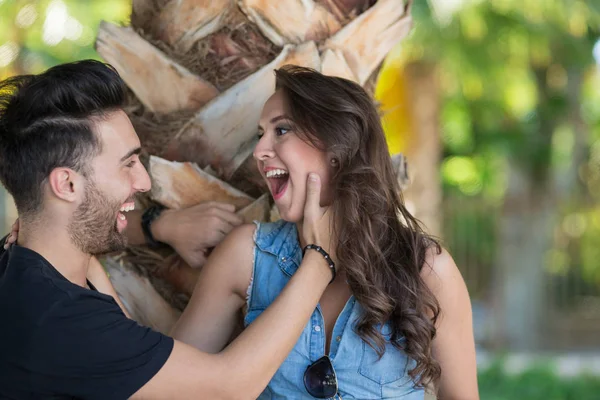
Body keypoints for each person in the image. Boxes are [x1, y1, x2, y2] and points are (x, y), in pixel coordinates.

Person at [0, 60, 337, 399]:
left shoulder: (23, 272)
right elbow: (227, 388)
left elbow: (119, 342)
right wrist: (319, 260)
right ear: (67, 185)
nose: (144, 182)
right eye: (129, 164)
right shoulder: (63, 321)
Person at [171, 66, 480, 399]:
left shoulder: (428, 271)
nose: (259, 151)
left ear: (337, 149)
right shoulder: (246, 256)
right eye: (260, 135)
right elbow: (172, 388)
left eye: (282, 130)